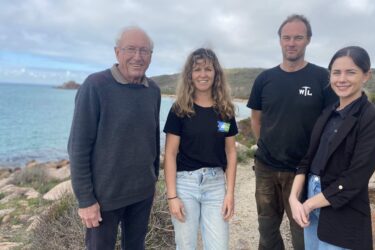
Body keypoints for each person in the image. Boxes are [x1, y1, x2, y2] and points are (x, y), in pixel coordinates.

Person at [247, 14, 338, 250]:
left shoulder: (322, 79)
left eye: (298, 37)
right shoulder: (264, 79)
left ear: (308, 40)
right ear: (279, 40)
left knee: (303, 234)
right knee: (266, 230)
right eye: (286, 37)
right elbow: (256, 118)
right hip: (266, 169)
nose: (291, 43)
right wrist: (264, 145)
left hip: (303, 171)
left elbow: (332, 124)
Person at [68, 26, 160, 250]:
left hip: (142, 193)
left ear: (151, 56)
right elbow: (78, 146)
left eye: (144, 51)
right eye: (131, 49)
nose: (138, 57)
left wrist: (153, 177)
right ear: (117, 52)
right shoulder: (96, 85)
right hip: (104, 198)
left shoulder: (153, 90)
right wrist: (86, 200)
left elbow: (153, 138)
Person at [289, 46, 375, 250]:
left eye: (350, 72)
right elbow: (306, 161)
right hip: (311, 197)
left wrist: (309, 204)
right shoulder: (327, 113)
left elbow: (354, 179)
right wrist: (293, 198)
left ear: (366, 75)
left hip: (342, 207)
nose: (342, 79)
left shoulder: (373, 120)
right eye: (336, 72)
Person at [163, 48, 238, 249]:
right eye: (197, 69)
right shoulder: (180, 108)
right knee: (185, 246)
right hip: (185, 185)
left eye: (208, 69)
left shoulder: (225, 110)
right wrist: (172, 196)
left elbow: (231, 152)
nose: (203, 74)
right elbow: (170, 154)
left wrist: (229, 193)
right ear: (190, 75)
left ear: (216, 73)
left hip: (215, 186)